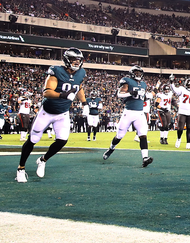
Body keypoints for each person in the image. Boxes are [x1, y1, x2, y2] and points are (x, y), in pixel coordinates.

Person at [15, 47, 87, 183]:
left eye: (78, 60)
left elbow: (79, 87)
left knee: (62, 140)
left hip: (63, 113)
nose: (77, 63)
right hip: (47, 112)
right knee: (33, 140)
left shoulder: (81, 73)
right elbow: (47, 92)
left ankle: (43, 160)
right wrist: (63, 95)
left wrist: (84, 103)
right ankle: (21, 168)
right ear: (67, 60)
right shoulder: (56, 71)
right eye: (74, 60)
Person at [102, 65, 153, 167]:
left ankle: (145, 158)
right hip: (128, 112)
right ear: (132, 73)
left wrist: (147, 96)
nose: (138, 75)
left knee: (143, 135)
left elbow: (144, 96)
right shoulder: (127, 81)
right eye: (136, 73)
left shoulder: (143, 84)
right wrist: (131, 93)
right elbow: (119, 94)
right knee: (119, 135)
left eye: (140, 73)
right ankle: (111, 148)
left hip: (140, 112)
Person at [170, 75, 190, 149]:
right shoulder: (182, 89)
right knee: (180, 128)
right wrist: (172, 82)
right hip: (182, 111)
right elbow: (174, 89)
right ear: (186, 85)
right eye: (188, 85)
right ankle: (178, 139)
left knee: (189, 128)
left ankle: (188, 144)